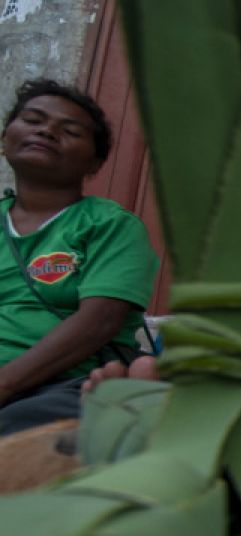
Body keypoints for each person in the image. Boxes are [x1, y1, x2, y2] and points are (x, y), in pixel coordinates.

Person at [0, 78, 159, 435]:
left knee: (29, 432)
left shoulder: (109, 224)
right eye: (33, 119)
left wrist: (5, 385)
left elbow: (99, 322)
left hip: (64, 384)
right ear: (4, 137)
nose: (47, 131)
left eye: (69, 130)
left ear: (94, 163)